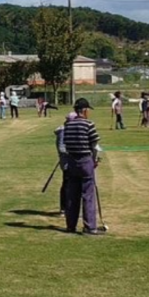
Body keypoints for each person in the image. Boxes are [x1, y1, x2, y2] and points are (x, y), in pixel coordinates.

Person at [62, 98, 103, 235]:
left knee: (72, 195)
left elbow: (66, 144)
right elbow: (94, 145)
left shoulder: (68, 125)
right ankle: (90, 226)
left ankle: (70, 225)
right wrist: (95, 159)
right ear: (84, 110)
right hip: (85, 160)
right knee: (88, 194)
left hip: (72, 161)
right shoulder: (89, 124)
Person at [54, 111, 78, 215]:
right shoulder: (63, 131)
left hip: (74, 162)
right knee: (67, 185)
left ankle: (72, 208)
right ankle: (64, 208)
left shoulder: (71, 130)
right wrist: (75, 151)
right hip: (67, 163)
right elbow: (61, 148)